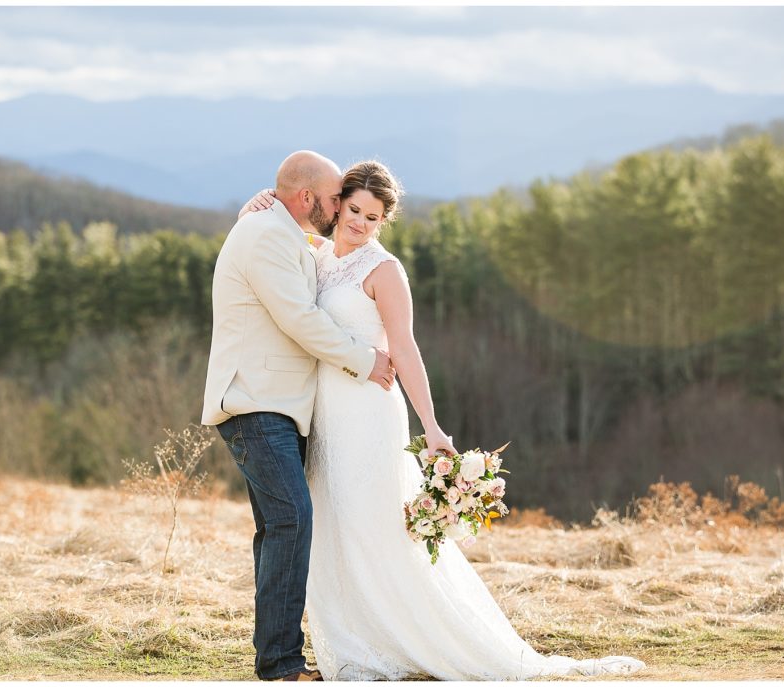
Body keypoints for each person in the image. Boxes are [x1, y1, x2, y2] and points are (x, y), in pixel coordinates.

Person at [239, 160, 645, 680]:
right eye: (355, 210)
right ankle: (352, 640)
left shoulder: (384, 270)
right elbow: (280, 238)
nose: (361, 223)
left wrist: (432, 426)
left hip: (368, 412)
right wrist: (258, 203)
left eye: (374, 216)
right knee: (334, 530)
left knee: (374, 527)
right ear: (337, 205)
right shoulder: (316, 255)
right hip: (323, 416)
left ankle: (401, 639)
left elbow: (405, 349)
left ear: (385, 221)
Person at [201, 151, 396, 682]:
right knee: (292, 520)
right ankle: (282, 665)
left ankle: (275, 659)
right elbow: (299, 318)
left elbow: (319, 265)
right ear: (308, 197)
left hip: (279, 406)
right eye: (336, 199)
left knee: (278, 527)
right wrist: (366, 361)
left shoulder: (280, 232)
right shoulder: (266, 235)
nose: (340, 210)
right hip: (254, 402)